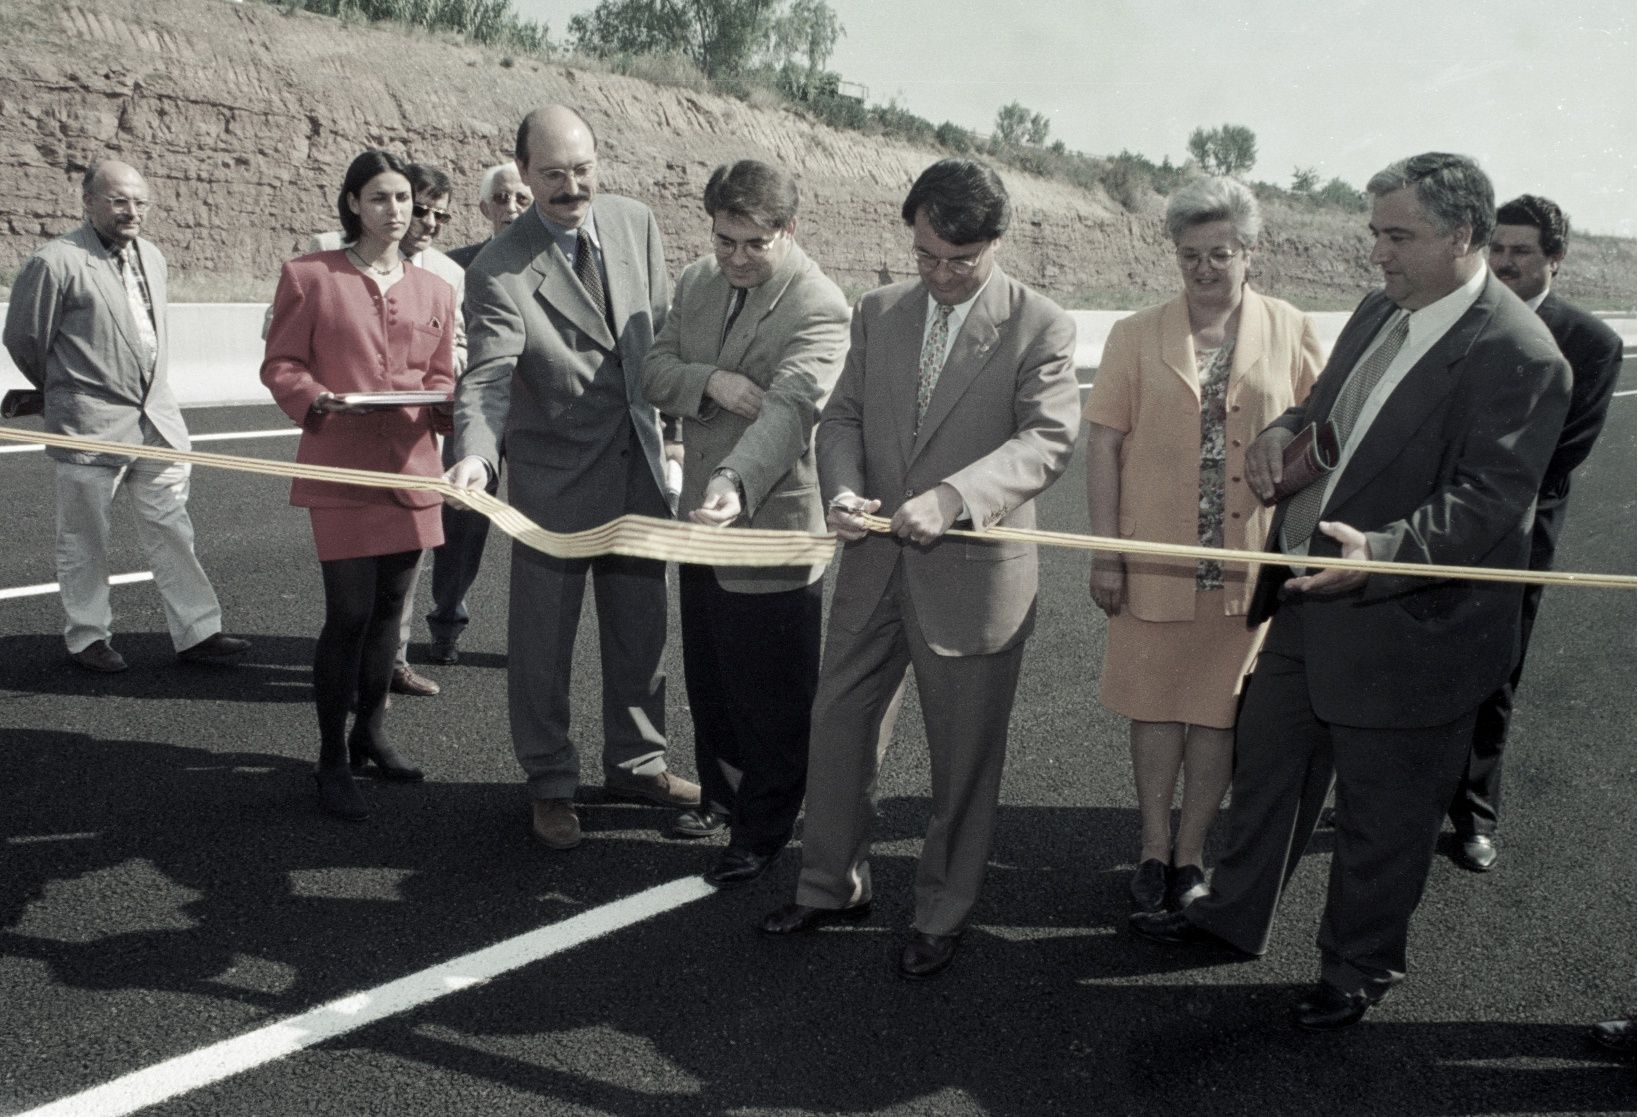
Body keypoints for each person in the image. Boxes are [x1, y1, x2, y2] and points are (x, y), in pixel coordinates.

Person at [1129, 153, 1571, 1031]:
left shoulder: (1522, 353)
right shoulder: (1382, 309)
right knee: (1270, 774)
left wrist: (1383, 552)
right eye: (1375, 233)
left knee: (1383, 815)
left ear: (1464, 236)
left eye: (1397, 236)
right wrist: (1286, 431)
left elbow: (1489, 499)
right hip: (1304, 593)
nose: (1377, 255)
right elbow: (1325, 408)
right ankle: (1231, 915)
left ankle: (1357, 968)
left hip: (1409, 620)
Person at [759, 158, 1082, 979]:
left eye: (959, 261)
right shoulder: (878, 312)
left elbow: (1045, 440)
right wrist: (841, 488)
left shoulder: (1039, 324)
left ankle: (942, 909)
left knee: (962, 758)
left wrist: (953, 498)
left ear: (995, 244)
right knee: (837, 729)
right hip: (872, 564)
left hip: (972, 579)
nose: (940, 276)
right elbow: (844, 417)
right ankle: (830, 884)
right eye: (926, 256)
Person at [447, 105, 700, 851]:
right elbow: (488, 379)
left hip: (642, 471)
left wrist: (676, 441)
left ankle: (638, 762)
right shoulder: (499, 267)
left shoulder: (636, 222)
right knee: (541, 645)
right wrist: (477, 455)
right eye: (553, 174)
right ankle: (550, 782)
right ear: (521, 173)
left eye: (583, 170)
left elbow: (663, 340)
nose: (571, 187)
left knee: (641, 633)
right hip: (555, 485)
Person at [1085, 176, 1322, 914]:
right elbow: (1103, 446)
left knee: (1216, 712)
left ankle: (1192, 856)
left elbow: (1325, 434)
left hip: (1244, 562)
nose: (1204, 269)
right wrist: (1105, 551)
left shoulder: (1291, 326)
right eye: (1189, 254)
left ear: (1251, 251)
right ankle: (1153, 849)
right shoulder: (1135, 332)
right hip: (1154, 555)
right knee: (1155, 709)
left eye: (1219, 253)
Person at [641, 159, 850, 887]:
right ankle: (722, 797)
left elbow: (792, 408)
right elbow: (655, 369)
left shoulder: (819, 305)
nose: (734, 257)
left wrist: (734, 480)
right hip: (701, 520)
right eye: (724, 239)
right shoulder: (699, 281)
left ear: (788, 230)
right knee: (713, 677)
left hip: (769, 522)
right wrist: (713, 384)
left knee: (772, 695)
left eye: (752, 244)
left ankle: (763, 828)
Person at [260, 149, 457, 821]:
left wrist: (456, 402)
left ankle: (370, 732)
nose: (396, 211)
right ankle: (330, 757)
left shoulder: (438, 291)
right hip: (340, 464)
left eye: (404, 199)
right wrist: (315, 398)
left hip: (412, 470)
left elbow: (442, 380)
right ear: (352, 204)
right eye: (380, 198)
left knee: (388, 617)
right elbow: (281, 362)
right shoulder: (309, 276)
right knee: (347, 614)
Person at [3, 159, 250, 673]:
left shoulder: (154, 257)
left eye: (140, 201)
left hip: (157, 421)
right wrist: (67, 390)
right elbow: (26, 340)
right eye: (118, 200)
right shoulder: (55, 262)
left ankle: (198, 631)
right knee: (85, 536)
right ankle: (88, 635)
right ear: (88, 201)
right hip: (89, 423)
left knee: (173, 528)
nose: (131, 210)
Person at [1446, 194, 1624, 872]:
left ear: (1555, 258)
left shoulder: (1591, 342)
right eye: (1498, 249)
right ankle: (1406, 790)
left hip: (1518, 533)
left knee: (1495, 671)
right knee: (1419, 661)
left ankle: (1474, 813)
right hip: (1435, 523)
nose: (1507, 262)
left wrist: (1471, 499)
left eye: (1522, 251)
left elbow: (1563, 454)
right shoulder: (1462, 317)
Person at [423, 162, 533, 666]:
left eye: (522, 200)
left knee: (535, 530)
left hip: (540, 417)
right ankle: (446, 621)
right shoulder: (453, 268)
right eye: (502, 200)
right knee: (461, 524)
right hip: (477, 412)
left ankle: (538, 637)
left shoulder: (561, 266)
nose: (511, 209)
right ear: (484, 207)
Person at [446, 162, 532, 268]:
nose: (511, 207)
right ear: (486, 209)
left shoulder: (554, 264)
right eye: (501, 197)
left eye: (522, 199)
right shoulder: (454, 264)